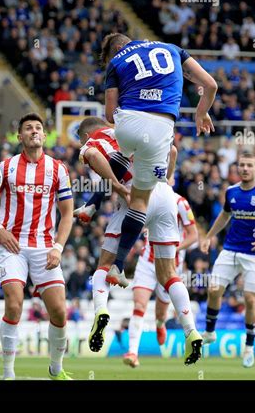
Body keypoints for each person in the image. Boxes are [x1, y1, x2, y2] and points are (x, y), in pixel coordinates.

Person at [76, 117, 202, 366]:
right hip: (165, 195)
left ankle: (101, 309)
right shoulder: (131, 130)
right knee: (168, 273)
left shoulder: (94, 140)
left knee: (105, 263)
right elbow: (173, 150)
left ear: (85, 134)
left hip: (136, 194)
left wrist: (114, 184)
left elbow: (93, 154)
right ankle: (190, 330)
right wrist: (169, 176)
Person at [100, 33, 217, 287]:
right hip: (161, 126)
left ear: (114, 49)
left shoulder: (116, 61)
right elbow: (210, 85)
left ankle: (92, 202)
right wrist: (201, 113)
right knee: (140, 199)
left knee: (122, 150)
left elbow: (110, 115)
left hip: (128, 122)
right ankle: (118, 266)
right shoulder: (173, 49)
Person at [0, 113, 74, 380]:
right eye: (28, 128)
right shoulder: (5, 168)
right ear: (19, 137)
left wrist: (58, 247)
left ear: (44, 136)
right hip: (13, 247)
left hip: (45, 248)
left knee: (58, 311)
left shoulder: (58, 169)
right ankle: (8, 373)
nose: (34, 131)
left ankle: (56, 369)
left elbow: (67, 214)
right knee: (14, 304)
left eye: (38, 128)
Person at [200, 151, 255, 368]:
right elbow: (225, 215)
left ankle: (249, 346)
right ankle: (210, 332)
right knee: (213, 289)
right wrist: (209, 237)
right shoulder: (231, 192)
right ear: (237, 168)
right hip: (230, 249)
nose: (245, 169)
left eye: (249, 165)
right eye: (242, 165)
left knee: (250, 299)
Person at [125, 191, 198, 367]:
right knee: (139, 305)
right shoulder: (147, 195)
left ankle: (160, 323)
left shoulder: (181, 202)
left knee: (161, 312)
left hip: (170, 263)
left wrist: (174, 247)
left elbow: (193, 234)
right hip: (147, 262)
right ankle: (133, 352)